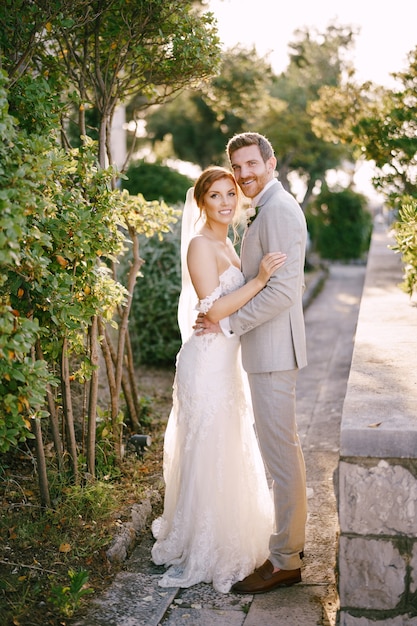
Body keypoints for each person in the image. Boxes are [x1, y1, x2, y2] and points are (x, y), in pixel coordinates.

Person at [151, 166, 286, 594]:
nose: (227, 202)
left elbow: (224, 308)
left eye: (232, 193)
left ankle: (230, 530)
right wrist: (261, 280)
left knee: (227, 444)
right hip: (205, 362)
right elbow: (212, 310)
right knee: (209, 446)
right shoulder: (199, 245)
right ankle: (201, 542)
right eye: (216, 196)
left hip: (224, 361)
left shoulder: (227, 241)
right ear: (202, 202)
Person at [196, 132, 308, 594]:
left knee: (281, 457)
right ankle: (291, 544)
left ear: (270, 162)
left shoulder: (279, 210)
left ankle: (285, 560)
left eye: (249, 165)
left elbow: (283, 290)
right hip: (266, 352)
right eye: (236, 167)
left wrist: (229, 323)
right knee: (282, 452)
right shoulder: (264, 209)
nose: (243, 175)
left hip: (273, 352)